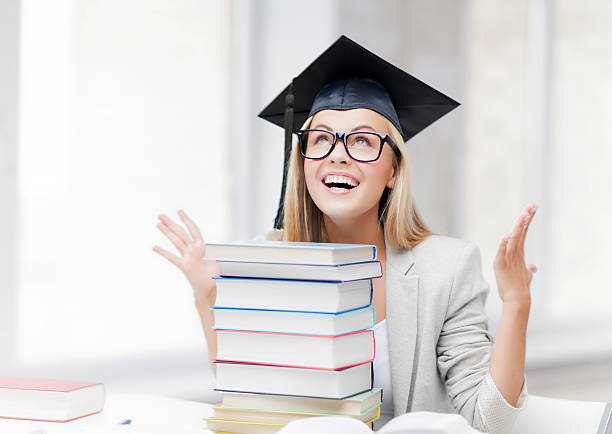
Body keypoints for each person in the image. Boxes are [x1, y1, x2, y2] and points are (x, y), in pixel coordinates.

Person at [152, 35, 536, 434]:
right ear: (301, 164)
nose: (337, 154)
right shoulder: (269, 263)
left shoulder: (447, 269)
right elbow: (251, 407)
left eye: (362, 141)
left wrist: (516, 305)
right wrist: (209, 299)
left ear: (393, 171)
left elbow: (490, 420)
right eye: (321, 139)